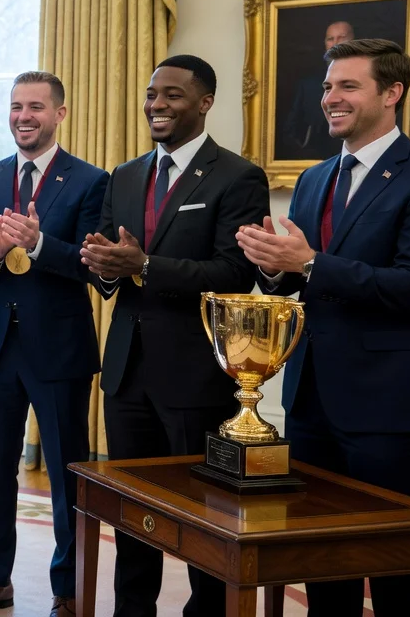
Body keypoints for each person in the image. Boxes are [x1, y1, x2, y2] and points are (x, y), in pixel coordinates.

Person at [81, 54, 269, 617]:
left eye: (172, 95)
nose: (156, 105)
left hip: (195, 375)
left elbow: (235, 275)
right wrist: (104, 267)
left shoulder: (239, 176)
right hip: (126, 372)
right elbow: (109, 265)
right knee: (132, 512)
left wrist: (143, 265)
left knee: (201, 515)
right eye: (150, 94)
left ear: (205, 102)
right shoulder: (126, 173)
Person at [240, 38, 410, 615]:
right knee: (319, 560)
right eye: (326, 87)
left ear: (391, 94)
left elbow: (409, 286)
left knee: (393, 568)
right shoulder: (315, 179)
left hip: (386, 409)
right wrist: (274, 269)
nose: (329, 99)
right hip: (310, 399)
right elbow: (303, 283)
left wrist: (309, 262)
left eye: (347, 86)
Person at [0, 71, 107, 617]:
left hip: (58, 349)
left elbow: (93, 267)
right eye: (17, 106)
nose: (25, 116)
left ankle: (68, 592)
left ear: (60, 114)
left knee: (70, 477)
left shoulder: (90, 181)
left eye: (37, 107)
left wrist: (40, 243)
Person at [279, 21, 353, 161]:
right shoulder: (308, 86)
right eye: (330, 39)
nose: (335, 43)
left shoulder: (368, 81)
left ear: (354, 40)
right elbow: (291, 129)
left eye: (342, 37)